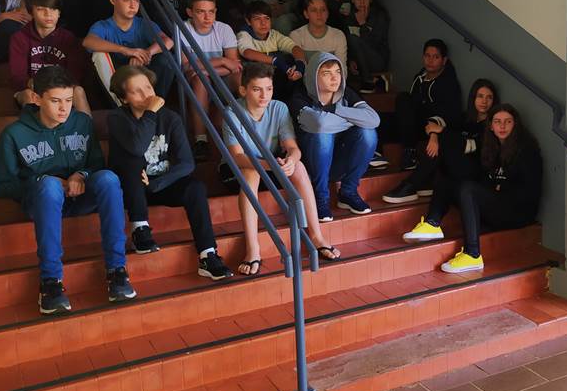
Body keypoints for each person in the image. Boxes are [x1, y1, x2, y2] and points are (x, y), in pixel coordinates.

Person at [0, 66, 135, 313]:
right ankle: (51, 283)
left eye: (68, 100)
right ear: (36, 98)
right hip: (42, 202)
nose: (64, 108)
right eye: (55, 101)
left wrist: (82, 174)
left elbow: (96, 164)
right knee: (49, 186)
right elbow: (1, 186)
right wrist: (42, 181)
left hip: (80, 197)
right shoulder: (14, 134)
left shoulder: (81, 123)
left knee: (109, 179)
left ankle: (117, 270)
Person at [107, 65, 231, 279]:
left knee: (195, 188)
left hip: (158, 184)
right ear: (124, 99)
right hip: (129, 189)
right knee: (133, 163)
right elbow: (137, 146)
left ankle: (208, 254)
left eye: (148, 87)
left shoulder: (170, 118)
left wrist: (156, 184)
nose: (146, 94)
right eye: (137, 91)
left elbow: (186, 163)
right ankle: (140, 229)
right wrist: (150, 113)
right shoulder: (117, 118)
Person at [223, 62, 340, 275]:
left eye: (268, 89)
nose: (264, 95)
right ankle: (253, 249)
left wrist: (291, 161)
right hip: (238, 170)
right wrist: (269, 165)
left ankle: (316, 236)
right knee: (251, 172)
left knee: (299, 167)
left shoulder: (279, 108)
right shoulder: (232, 112)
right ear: (243, 90)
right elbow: (237, 157)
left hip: (270, 166)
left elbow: (293, 148)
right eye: (257, 89)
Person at [403, 104, 542, 274]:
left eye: (508, 121)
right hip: (495, 206)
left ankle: (472, 254)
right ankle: (432, 223)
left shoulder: (526, 150)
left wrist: (498, 189)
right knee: (450, 179)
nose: (502, 126)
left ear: (515, 125)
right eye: (497, 121)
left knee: (469, 189)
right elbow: (480, 177)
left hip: (516, 213)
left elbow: (529, 192)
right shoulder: (490, 147)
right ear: (491, 126)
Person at [290, 52, 379, 221]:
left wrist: (336, 109)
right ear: (314, 77)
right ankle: (320, 197)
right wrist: (354, 119)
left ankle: (348, 192)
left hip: (338, 163)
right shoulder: (300, 96)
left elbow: (373, 119)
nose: (335, 78)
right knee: (322, 135)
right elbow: (320, 124)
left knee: (368, 133)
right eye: (327, 73)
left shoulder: (346, 93)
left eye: (338, 72)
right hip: (311, 168)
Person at [383, 39, 462, 202]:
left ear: (444, 60)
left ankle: (410, 153)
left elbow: (447, 115)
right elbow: (413, 107)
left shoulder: (448, 83)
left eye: (435, 57)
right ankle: (375, 153)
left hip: (436, 127)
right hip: (416, 125)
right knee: (383, 118)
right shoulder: (420, 76)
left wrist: (434, 134)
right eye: (427, 56)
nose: (430, 60)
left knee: (403, 98)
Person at [83, 0, 178, 105]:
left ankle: (155, 104)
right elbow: (88, 42)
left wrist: (145, 54)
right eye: (126, 0)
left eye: (136, 0)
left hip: (143, 73)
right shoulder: (103, 26)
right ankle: (122, 105)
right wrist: (125, 50)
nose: (133, 5)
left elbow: (168, 41)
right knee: (99, 54)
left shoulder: (144, 24)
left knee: (167, 57)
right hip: (119, 76)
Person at [180, 0, 242, 158]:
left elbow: (234, 66)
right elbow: (187, 67)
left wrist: (204, 68)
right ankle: (201, 140)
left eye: (211, 12)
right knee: (201, 80)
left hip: (220, 76)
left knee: (238, 76)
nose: (207, 17)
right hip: (197, 79)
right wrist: (221, 61)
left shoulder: (224, 29)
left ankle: (249, 126)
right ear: (190, 12)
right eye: (201, 12)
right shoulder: (183, 29)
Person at [9, 0, 91, 115]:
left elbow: (75, 73)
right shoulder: (19, 38)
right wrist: (35, 84)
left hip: (62, 88)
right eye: (41, 9)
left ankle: (86, 128)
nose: (48, 14)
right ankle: (36, 127)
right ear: (31, 12)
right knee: (29, 96)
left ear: (59, 13)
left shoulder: (68, 38)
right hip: (32, 88)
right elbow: (18, 76)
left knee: (78, 91)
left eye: (53, 9)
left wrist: (57, 88)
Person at [236, 0, 307, 102]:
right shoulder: (244, 34)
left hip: (275, 81)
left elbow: (295, 48)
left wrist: (300, 65)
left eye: (267, 18)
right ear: (248, 21)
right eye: (257, 19)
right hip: (256, 82)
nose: (263, 23)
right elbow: (247, 52)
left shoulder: (274, 35)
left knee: (292, 66)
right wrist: (275, 61)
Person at [344, 0, 390, 93]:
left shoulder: (379, 16)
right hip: (359, 62)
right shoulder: (350, 17)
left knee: (353, 38)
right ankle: (374, 80)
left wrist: (363, 24)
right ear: (352, 0)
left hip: (377, 59)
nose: (362, 2)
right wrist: (351, 60)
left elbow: (374, 44)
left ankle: (368, 81)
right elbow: (350, 45)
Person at [288, 0, 347, 67]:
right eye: (314, 10)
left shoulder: (338, 36)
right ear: (306, 14)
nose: (319, 14)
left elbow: (342, 68)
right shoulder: (296, 36)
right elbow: (300, 69)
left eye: (323, 10)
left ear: (327, 13)